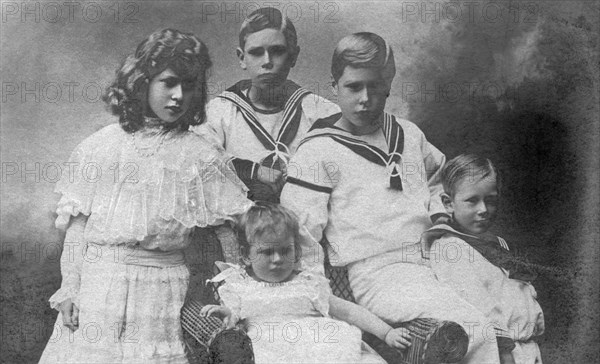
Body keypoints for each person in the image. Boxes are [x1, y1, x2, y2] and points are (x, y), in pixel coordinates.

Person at [280, 32, 502, 363]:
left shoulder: (408, 134)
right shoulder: (318, 152)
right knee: (476, 330)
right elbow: (301, 234)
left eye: (375, 87)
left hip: (434, 256)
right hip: (380, 274)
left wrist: (440, 222)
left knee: (505, 309)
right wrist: (318, 298)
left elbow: (442, 181)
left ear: (388, 86)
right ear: (333, 86)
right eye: (353, 87)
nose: (365, 98)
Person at [39, 29, 252, 364]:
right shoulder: (102, 146)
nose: (179, 95)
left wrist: (234, 296)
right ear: (142, 82)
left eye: (189, 85)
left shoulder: (200, 155)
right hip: (99, 283)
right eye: (168, 82)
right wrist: (70, 289)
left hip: (162, 289)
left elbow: (229, 233)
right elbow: (77, 229)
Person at [192, 7, 339, 267]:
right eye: (256, 52)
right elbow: (199, 168)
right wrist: (252, 171)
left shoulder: (320, 111)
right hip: (243, 240)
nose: (267, 61)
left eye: (278, 51)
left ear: (294, 56)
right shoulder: (219, 112)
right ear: (241, 57)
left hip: (309, 238)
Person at [201, 202, 411, 364]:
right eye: (266, 252)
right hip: (270, 352)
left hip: (322, 347)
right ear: (246, 255)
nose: (277, 259)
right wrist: (226, 315)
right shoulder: (240, 286)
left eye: (285, 251)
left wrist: (387, 333)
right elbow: (232, 319)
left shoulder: (308, 283)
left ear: (297, 251)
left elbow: (349, 312)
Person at [423, 154, 545, 364]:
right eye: (472, 201)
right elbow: (477, 307)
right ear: (448, 203)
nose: (483, 210)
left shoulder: (494, 244)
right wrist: (504, 351)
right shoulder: (450, 248)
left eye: (490, 200)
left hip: (525, 349)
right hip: (496, 353)